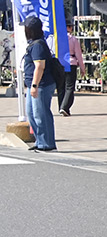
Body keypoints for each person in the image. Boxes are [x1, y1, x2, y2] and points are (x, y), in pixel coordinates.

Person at [21, 16, 57, 151]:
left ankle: (47, 143)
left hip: (41, 84)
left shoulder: (38, 45)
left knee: (40, 114)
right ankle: (40, 140)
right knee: (31, 113)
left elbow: (39, 67)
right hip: (34, 84)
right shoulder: (35, 43)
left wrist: (35, 85)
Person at [57, 16, 81, 117]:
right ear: (70, 28)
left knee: (61, 87)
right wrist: (83, 68)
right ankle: (65, 107)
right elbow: (78, 54)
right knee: (70, 86)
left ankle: (61, 107)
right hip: (71, 62)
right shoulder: (73, 39)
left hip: (59, 63)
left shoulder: (57, 38)